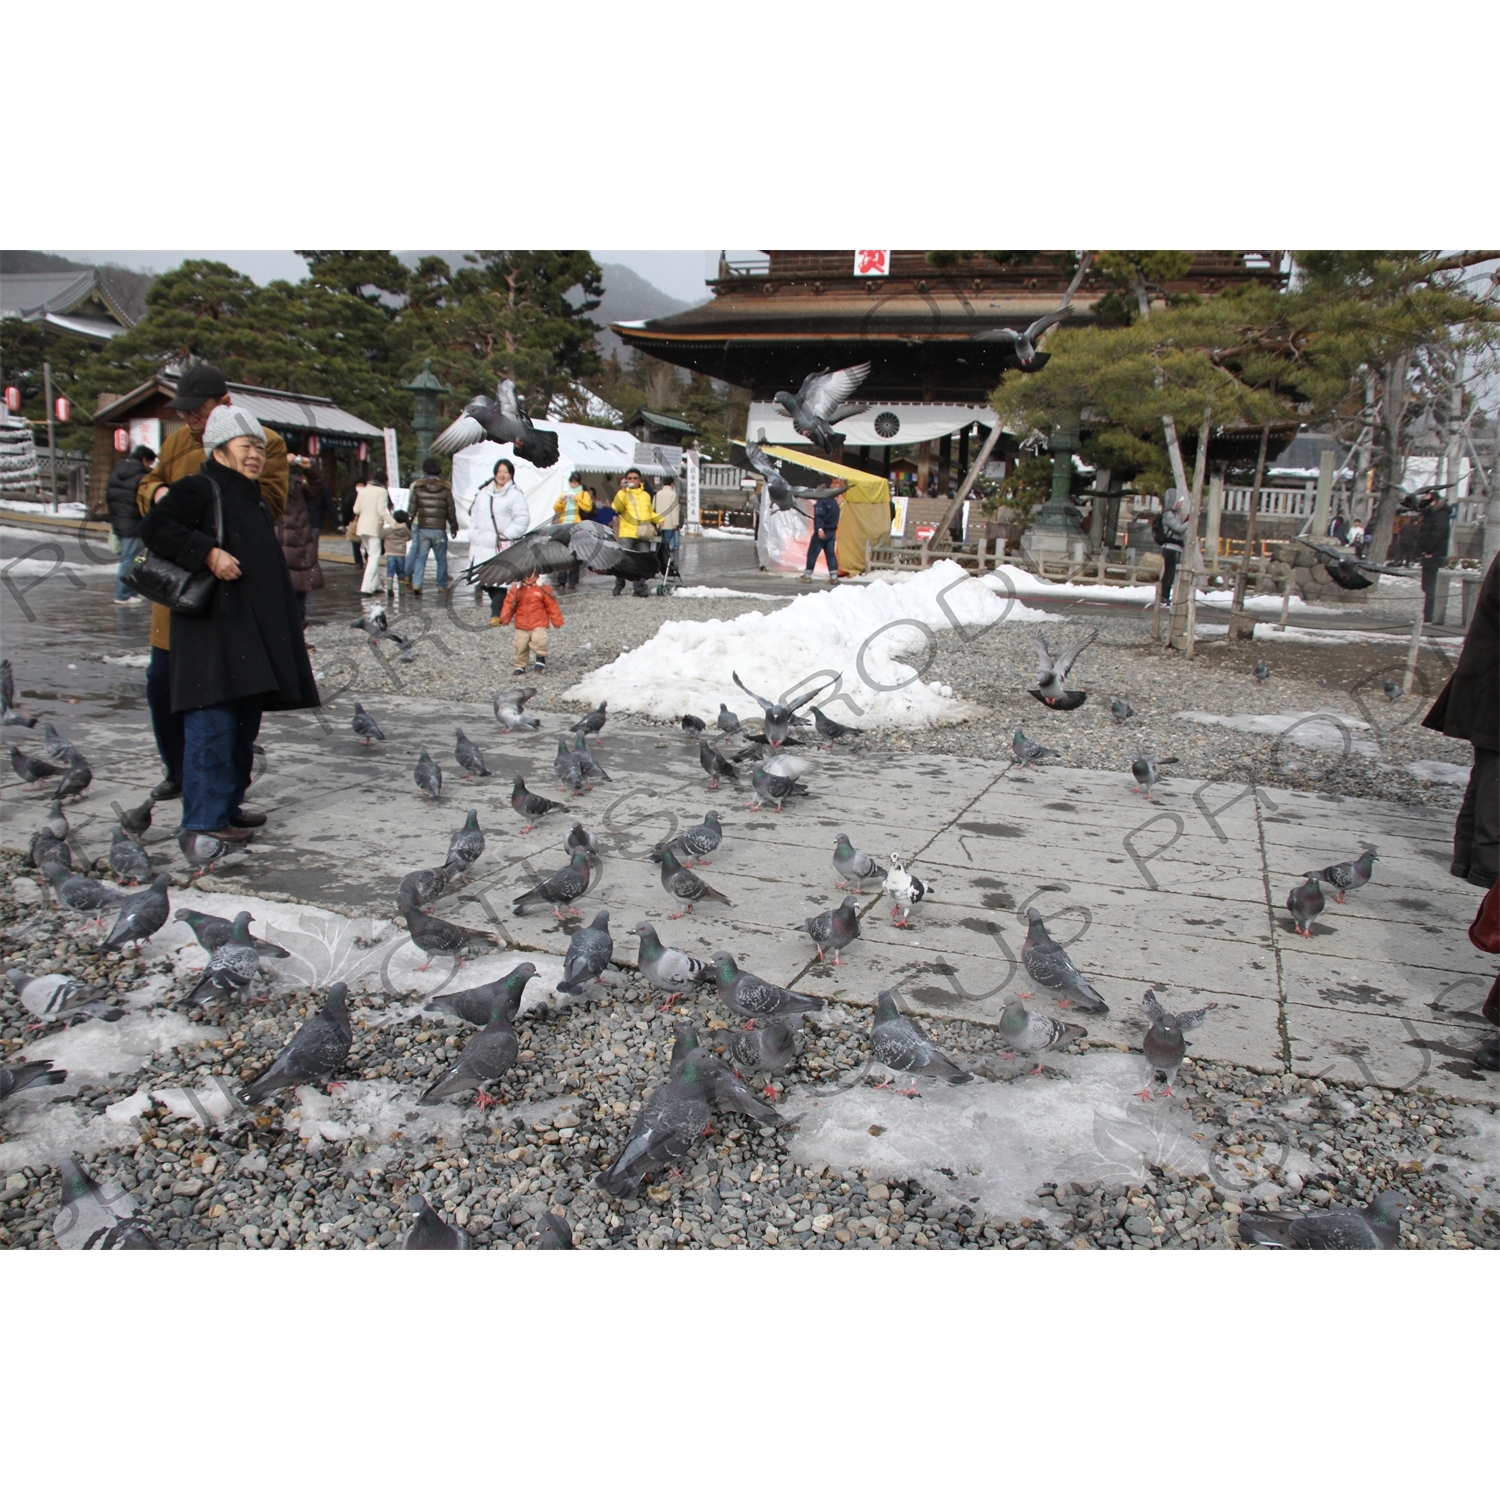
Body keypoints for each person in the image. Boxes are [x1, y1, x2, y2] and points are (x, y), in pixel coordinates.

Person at [137, 407, 318, 840]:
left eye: (259, 447)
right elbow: (156, 527)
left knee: (242, 726)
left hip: (245, 634)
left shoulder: (250, 495)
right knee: (211, 725)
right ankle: (203, 819)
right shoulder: (199, 488)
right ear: (219, 449)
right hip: (210, 632)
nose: (255, 455)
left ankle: (228, 804)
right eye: (245, 447)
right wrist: (207, 553)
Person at [136, 363, 288, 801]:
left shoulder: (264, 442)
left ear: (223, 403)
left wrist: (209, 492)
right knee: (162, 682)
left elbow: (270, 503)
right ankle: (179, 771)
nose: (189, 420)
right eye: (183, 412)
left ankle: (226, 793)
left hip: (232, 588)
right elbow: (148, 484)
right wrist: (163, 496)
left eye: (196, 411)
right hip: (180, 585)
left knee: (234, 695)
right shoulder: (176, 442)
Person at [1423, 552, 1498, 890]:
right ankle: (1487, 864)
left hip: (1488, 679)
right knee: (1494, 774)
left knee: (1489, 772)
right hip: (1493, 683)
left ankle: (1470, 858)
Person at [467, 457, 530, 621]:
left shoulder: (515, 495)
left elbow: (522, 519)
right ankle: (504, 608)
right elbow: (474, 515)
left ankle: (496, 614)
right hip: (481, 544)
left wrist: (506, 535)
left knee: (499, 580)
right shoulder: (483, 492)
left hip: (500, 545)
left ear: (511, 475)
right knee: (481, 579)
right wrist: (472, 533)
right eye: (500, 471)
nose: (502, 475)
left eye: (506, 472)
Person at [273, 461, 324, 624]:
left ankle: (298, 636)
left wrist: (309, 468)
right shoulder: (268, 484)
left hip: (300, 546)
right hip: (280, 546)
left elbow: (318, 488)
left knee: (299, 596)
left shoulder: (297, 484)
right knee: (281, 599)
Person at [106, 443, 154, 605]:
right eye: (150, 463)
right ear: (144, 460)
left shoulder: (117, 472)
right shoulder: (141, 476)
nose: (150, 466)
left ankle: (132, 590)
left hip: (120, 522)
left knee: (137, 559)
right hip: (135, 524)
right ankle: (122, 594)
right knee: (130, 560)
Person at [408, 456, 459, 596]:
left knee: (421, 557)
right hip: (439, 529)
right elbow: (450, 510)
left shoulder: (418, 488)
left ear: (424, 471)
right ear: (439, 472)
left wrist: (407, 524)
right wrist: (454, 527)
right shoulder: (445, 489)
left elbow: (411, 510)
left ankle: (417, 583)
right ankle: (442, 585)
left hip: (423, 528)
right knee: (441, 559)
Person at [499, 569, 564, 675]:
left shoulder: (543, 589)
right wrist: (504, 619)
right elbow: (509, 605)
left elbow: (552, 605)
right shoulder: (516, 590)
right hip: (521, 624)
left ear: (537, 575)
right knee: (520, 645)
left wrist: (557, 621)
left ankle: (540, 657)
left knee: (540, 640)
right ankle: (520, 665)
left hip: (539, 622)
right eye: (525, 575)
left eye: (531, 575)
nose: (528, 578)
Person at [611, 468, 663, 597]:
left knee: (642, 561)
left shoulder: (645, 495)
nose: (632, 480)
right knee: (622, 561)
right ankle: (619, 584)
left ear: (640, 480)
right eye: (629, 478)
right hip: (627, 533)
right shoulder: (623, 493)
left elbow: (649, 512)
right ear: (625, 480)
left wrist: (660, 519)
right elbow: (616, 507)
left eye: (635, 478)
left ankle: (639, 588)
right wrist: (622, 490)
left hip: (642, 533)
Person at [349, 470, 392, 595]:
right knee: (374, 556)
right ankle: (366, 587)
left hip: (362, 527)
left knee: (371, 554)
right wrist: (393, 522)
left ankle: (375, 584)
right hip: (374, 527)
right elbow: (381, 510)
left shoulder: (364, 490)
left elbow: (356, 509)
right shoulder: (382, 491)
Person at [552, 472, 593, 590]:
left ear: (579, 483)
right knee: (563, 553)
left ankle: (573, 581)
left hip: (577, 525)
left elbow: (588, 507)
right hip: (565, 524)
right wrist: (561, 501)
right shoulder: (565, 493)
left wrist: (577, 500)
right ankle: (561, 580)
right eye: (571, 482)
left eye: (575, 482)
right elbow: (556, 508)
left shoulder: (583, 493)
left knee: (575, 554)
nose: (573, 484)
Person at [1416, 490, 1451, 623]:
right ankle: (1427, 614)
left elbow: (1437, 533)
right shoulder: (1432, 514)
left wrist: (1429, 550)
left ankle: (1430, 616)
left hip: (1433, 554)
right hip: (1429, 553)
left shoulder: (1440, 514)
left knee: (1430, 585)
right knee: (1427, 585)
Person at [803, 487, 842, 582]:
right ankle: (833, 577)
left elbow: (819, 516)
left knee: (813, 553)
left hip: (822, 532)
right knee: (830, 555)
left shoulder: (821, 502)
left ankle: (807, 575)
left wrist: (820, 529)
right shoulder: (834, 503)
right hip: (832, 532)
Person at [1159, 491, 1189, 604]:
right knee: (1169, 573)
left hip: (1176, 547)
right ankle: (1163, 596)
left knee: (1171, 575)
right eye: (1179, 502)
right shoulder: (1168, 514)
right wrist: (1189, 522)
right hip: (1170, 547)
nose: (1180, 504)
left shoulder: (1175, 514)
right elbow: (1178, 528)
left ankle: (1165, 595)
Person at [654, 473, 682, 577]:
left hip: (659, 524)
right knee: (668, 546)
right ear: (672, 484)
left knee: (660, 545)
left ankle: (661, 564)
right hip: (670, 524)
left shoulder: (657, 494)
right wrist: (676, 523)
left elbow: (653, 507)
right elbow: (675, 510)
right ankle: (668, 566)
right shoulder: (673, 494)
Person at [382, 508, 412, 597]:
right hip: (401, 554)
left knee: (390, 571)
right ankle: (402, 590)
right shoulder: (405, 529)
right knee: (401, 572)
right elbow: (410, 537)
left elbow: (381, 535)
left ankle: (389, 588)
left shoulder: (390, 529)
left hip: (390, 553)